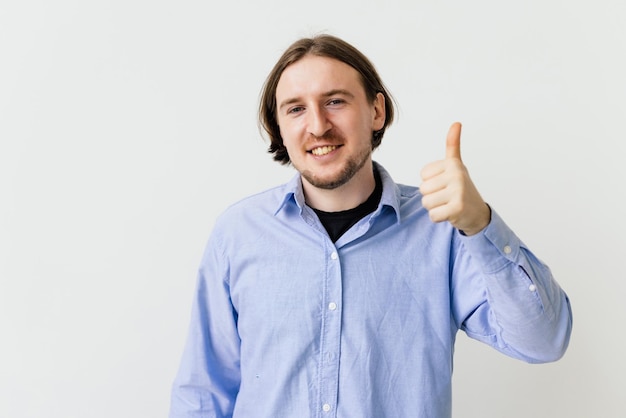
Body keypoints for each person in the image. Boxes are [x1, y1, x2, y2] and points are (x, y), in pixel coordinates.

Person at [168, 34, 572, 418]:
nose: (318, 125)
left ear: (376, 111)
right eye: (295, 108)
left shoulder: (442, 230)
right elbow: (204, 394)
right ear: (279, 126)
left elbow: (543, 340)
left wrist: (480, 224)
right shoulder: (238, 233)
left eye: (335, 101)